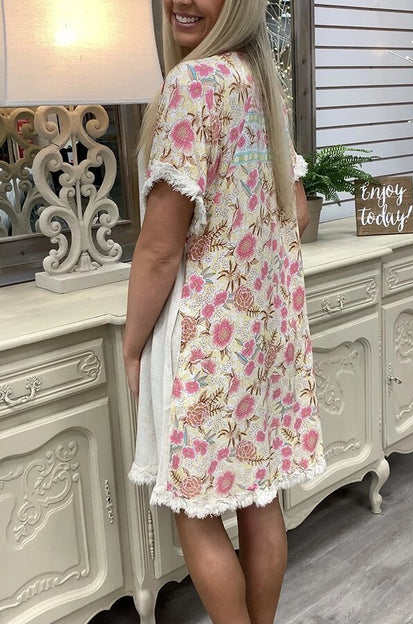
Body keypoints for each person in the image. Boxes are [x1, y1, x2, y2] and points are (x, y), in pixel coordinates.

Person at [123, 1, 326, 623]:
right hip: (262, 331)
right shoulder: (261, 82)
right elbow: (296, 210)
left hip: (203, 335)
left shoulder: (193, 83)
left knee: (195, 511)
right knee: (260, 501)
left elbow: (159, 250)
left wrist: (131, 347)